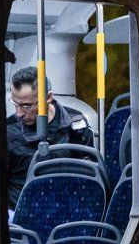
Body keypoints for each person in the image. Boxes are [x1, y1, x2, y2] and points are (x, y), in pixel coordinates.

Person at [6, 66, 93, 207]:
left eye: (27, 105)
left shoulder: (76, 124)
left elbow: (89, 175)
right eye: (16, 104)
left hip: (70, 207)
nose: (19, 113)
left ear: (48, 98)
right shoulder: (9, 132)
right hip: (22, 214)